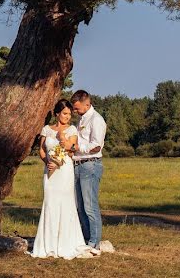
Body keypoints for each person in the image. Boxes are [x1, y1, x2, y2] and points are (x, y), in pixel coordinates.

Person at [27, 99, 94, 259]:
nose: (67, 117)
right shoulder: (46, 129)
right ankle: (48, 244)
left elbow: (70, 151)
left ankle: (65, 243)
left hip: (64, 171)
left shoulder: (71, 129)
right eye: (64, 113)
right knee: (50, 203)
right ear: (57, 113)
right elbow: (42, 151)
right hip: (50, 173)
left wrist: (61, 138)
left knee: (65, 204)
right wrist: (48, 162)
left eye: (70, 114)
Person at [69, 90, 107, 254]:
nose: (75, 112)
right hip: (78, 165)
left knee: (90, 205)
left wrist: (78, 148)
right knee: (80, 205)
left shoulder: (96, 120)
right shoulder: (82, 119)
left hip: (90, 165)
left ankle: (94, 242)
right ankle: (85, 238)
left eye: (77, 109)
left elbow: (97, 145)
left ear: (87, 103)